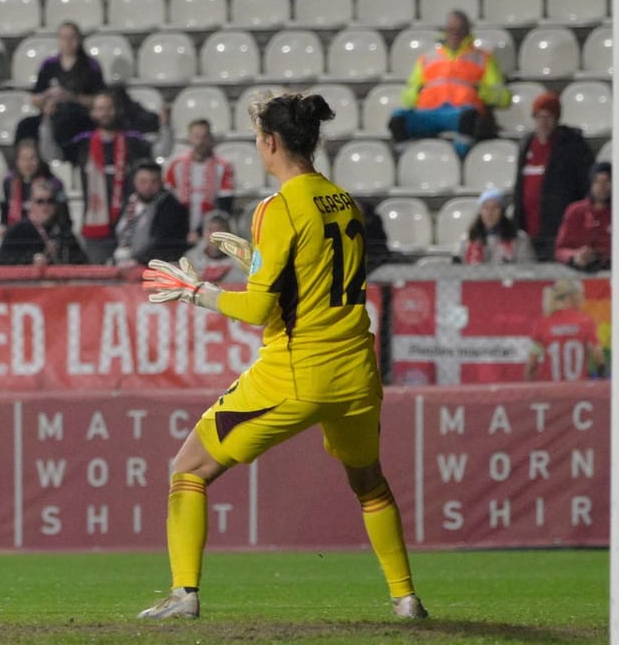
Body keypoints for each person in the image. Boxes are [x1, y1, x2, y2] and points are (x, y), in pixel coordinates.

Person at [137, 92, 426, 621]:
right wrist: (258, 259)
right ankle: (406, 598)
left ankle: (184, 595)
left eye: (257, 138)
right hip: (357, 372)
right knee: (368, 483)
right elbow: (318, 280)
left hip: (298, 370)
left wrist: (196, 291)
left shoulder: (277, 207)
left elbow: (258, 308)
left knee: (188, 468)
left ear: (270, 142)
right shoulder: (343, 201)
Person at [389, 10, 510, 156]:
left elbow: (503, 97)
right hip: (428, 113)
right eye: (451, 30)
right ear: (445, 31)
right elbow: (407, 97)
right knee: (398, 119)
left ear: (467, 31)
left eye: (460, 30)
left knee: (469, 117)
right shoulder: (427, 58)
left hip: (459, 114)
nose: (455, 34)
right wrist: (418, 92)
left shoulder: (483, 58)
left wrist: (482, 91)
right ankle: (409, 159)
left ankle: (458, 159)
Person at [511, 92, 593, 262]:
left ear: (556, 118)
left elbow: (584, 186)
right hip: (528, 230)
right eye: (539, 117)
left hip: (558, 230)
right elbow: (520, 186)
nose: (543, 122)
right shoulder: (526, 145)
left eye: (548, 117)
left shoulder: (572, 146)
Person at [73, 92, 153, 264]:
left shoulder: (133, 141)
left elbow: (161, 153)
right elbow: (51, 153)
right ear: (93, 113)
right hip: (96, 228)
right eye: (100, 109)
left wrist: (164, 125)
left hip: (130, 225)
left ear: (116, 111)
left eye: (109, 108)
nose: (105, 113)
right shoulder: (83, 143)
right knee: (99, 282)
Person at [14, 21, 106, 161]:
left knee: (68, 127)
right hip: (52, 114)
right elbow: (35, 98)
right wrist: (47, 98)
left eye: (72, 38)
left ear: (79, 40)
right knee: (25, 126)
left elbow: (99, 100)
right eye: (63, 38)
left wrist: (72, 97)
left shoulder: (90, 66)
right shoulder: (49, 65)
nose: (67, 42)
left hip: (79, 115)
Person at [165, 119, 236, 250]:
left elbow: (224, 205)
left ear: (210, 138)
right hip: (180, 227)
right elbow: (169, 201)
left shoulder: (223, 166)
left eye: (204, 137)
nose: (201, 142)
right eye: (197, 137)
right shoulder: (176, 165)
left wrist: (201, 231)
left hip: (210, 228)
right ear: (189, 138)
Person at [113, 161, 191, 268]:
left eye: (154, 182)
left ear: (161, 182)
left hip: (153, 267)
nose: (148, 186)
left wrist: (138, 260)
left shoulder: (171, 207)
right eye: (143, 181)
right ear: (134, 181)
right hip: (123, 264)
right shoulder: (129, 201)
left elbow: (163, 242)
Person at [525, 279, 606, 381]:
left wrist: (529, 387)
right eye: (582, 295)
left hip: (551, 390)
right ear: (573, 297)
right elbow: (598, 355)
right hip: (579, 390)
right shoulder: (585, 321)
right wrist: (602, 379)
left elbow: (532, 364)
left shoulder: (543, 323)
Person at [0, 177, 87, 266]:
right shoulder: (17, 231)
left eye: (50, 201)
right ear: (31, 203)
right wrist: (31, 260)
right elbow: (2, 261)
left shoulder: (63, 231)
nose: (45, 206)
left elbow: (82, 262)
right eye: (40, 201)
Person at [553, 162, 611, 273]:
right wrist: (576, 255)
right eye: (597, 182)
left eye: (607, 182)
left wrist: (601, 255)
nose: (602, 187)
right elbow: (560, 249)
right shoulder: (576, 211)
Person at [456, 188, 534, 265]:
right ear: (480, 212)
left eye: (495, 207)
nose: (490, 212)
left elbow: (527, 270)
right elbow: (459, 269)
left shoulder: (519, 238)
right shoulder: (468, 239)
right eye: (486, 208)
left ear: (502, 211)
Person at [1, 138, 64, 232]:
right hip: (17, 234)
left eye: (32, 158)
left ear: (39, 160)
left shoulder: (53, 183)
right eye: (23, 158)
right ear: (17, 161)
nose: (27, 163)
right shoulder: (9, 183)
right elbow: (4, 210)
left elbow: (62, 216)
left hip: (46, 232)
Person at [184, 210, 250, 283]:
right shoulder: (191, 258)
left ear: (229, 233)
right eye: (210, 230)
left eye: (219, 229)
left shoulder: (242, 261)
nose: (214, 235)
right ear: (203, 233)